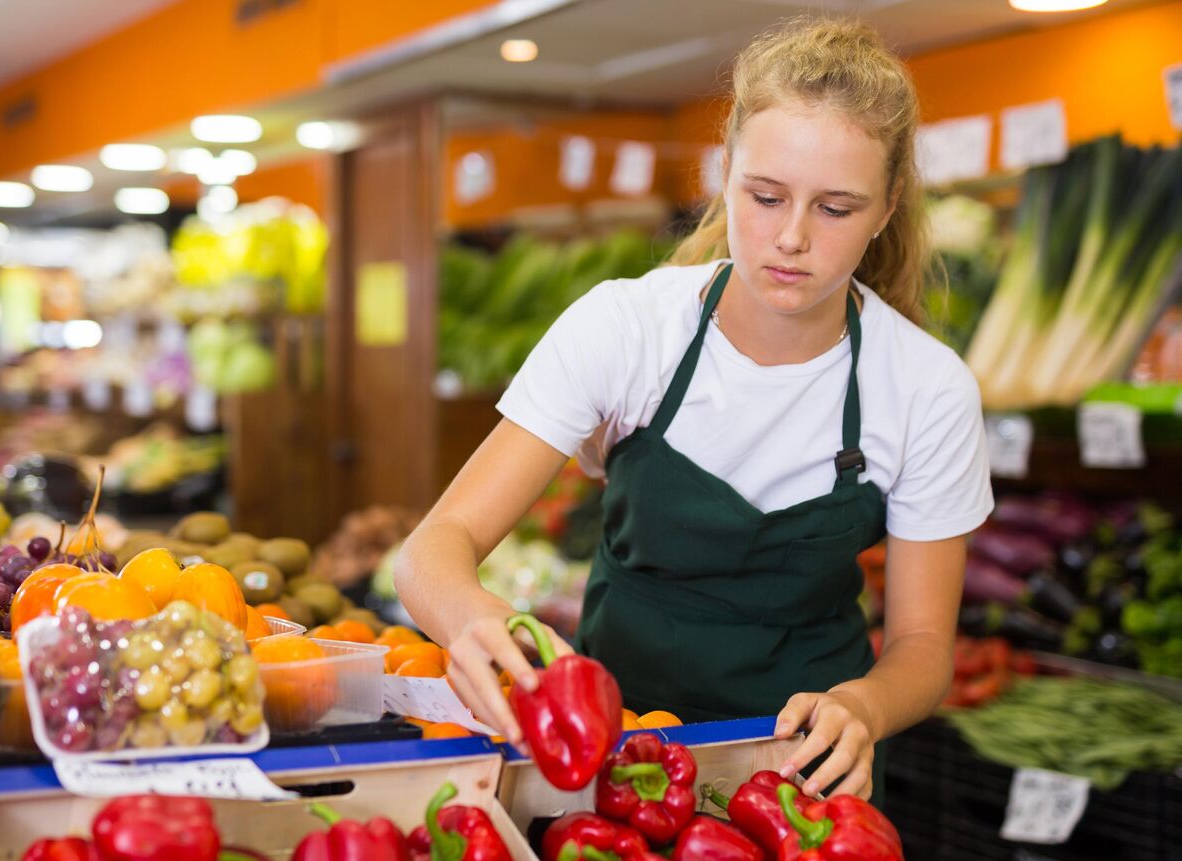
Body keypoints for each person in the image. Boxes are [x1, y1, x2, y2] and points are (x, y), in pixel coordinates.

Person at [395, 16, 992, 803]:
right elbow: (434, 546)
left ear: (887, 209)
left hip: (800, 780)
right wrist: (470, 612)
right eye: (766, 195)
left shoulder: (925, 386)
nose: (791, 237)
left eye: (837, 208)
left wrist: (864, 704)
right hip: (611, 758)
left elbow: (921, 644)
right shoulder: (628, 327)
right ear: (725, 175)